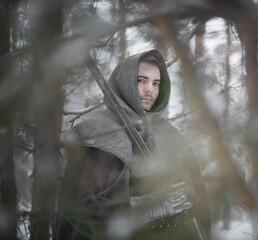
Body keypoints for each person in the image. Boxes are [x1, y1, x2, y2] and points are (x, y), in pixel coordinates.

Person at [55, 50, 211, 240]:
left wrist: (184, 197)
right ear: (125, 82)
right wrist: (147, 209)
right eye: (141, 81)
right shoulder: (98, 131)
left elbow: (196, 199)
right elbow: (85, 212)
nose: (149, 90)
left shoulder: (169, 133)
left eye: (156, 83)